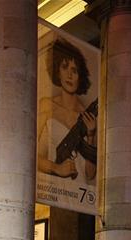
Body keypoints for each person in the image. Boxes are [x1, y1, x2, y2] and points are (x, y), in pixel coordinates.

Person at [37, 36, 96, 183]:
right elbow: (33, 156)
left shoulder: (87, 116)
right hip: (54, 190)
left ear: (79, 76)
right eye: (64, 67)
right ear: (57, 71)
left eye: (74, 70)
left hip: (79, 195)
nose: (69, 75)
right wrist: (57, 168)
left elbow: (90, 174)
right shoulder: (47, 106)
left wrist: (90, 135)